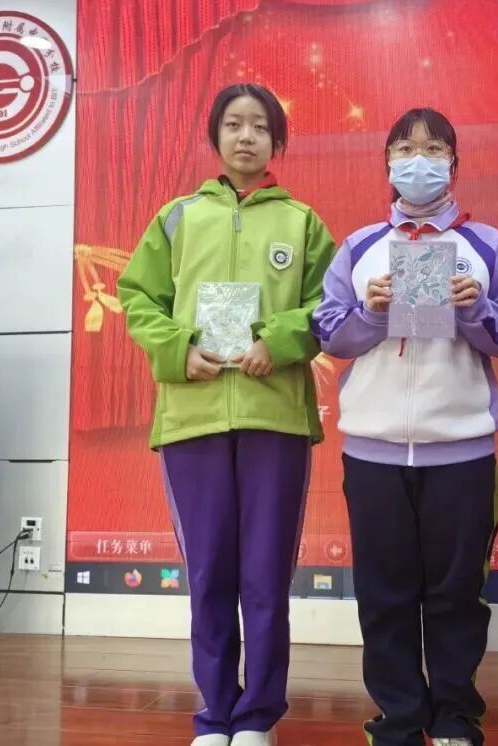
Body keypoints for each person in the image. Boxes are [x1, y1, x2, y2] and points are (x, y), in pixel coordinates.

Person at [118, 83, 336, 746]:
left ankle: (258, 717)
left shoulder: (302, 222)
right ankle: (215, 714)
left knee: (265, 575)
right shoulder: (177, 218)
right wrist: (179, 350)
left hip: (276, 418)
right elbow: (137, 298)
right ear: (214, 137)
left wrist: (281, 339)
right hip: (194, 419)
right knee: (209, 573)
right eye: (235, 124)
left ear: (277, 141)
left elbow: (329, 305)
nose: (247, 136)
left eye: (260, 126)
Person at [312, 107, 498, 746]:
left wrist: (475, 308)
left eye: (434, 149)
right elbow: (329, 333)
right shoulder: (359, 247)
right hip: (374, 452)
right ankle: (400, 718)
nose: (419, 160)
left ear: (453, 165)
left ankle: (456, 715)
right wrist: (371, 311)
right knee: (384, 594)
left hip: (461, 450)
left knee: (457, 595)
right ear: (387, 163)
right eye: (405, 149)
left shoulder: (484, 244)